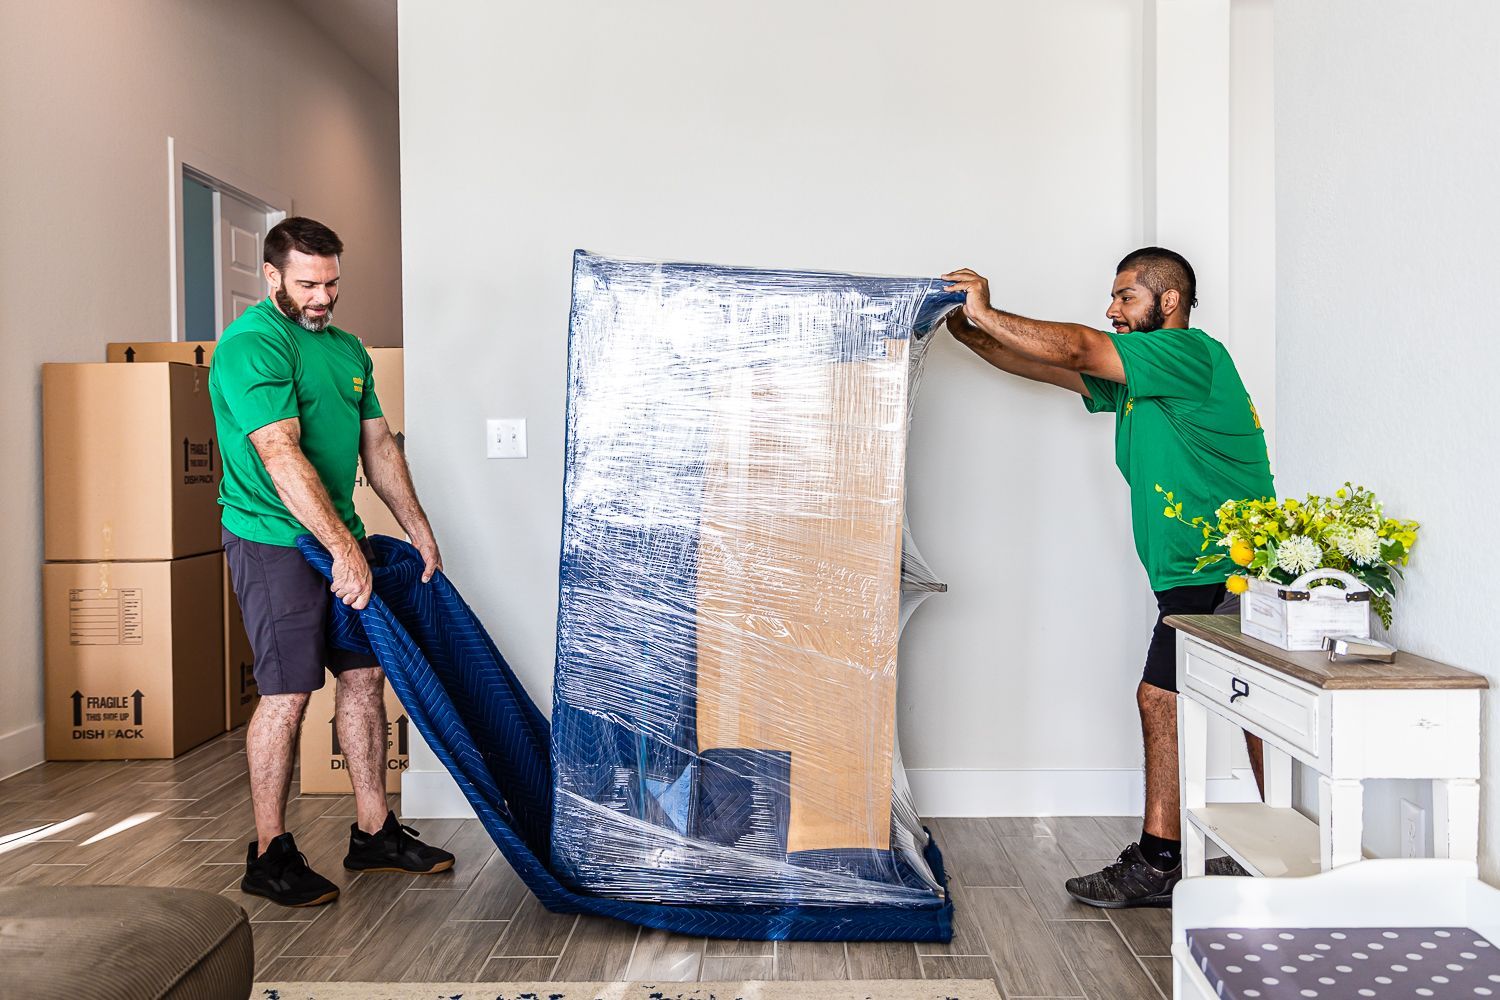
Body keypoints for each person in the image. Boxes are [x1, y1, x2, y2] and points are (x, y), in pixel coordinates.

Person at [942, 248, 1274, 908]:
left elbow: (1074, 349)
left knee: (1168, 698)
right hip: (1199, 571)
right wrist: (970, 334)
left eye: (1126, 297)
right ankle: (1261, 858)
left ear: (1169, 302)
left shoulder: (1189, 355)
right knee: (1253, 708)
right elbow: (1036, 364)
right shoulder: (1140, 380)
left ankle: (1160, 862)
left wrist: (987, 308)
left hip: (1228, 566)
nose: (1112, 309)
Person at [210, 216, 453, 908]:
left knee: (364, 676)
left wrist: (418, 530)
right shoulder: (252, 344)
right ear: (272, 277)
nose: (322, 297)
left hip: (338, 536)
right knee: (287, 694)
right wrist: (344, 550)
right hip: (273, 539)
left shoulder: (348, 350)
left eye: (332, 283)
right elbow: (280, 454)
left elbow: (378, 449)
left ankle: (374, 832)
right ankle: (268, 851)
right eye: (308, 284)